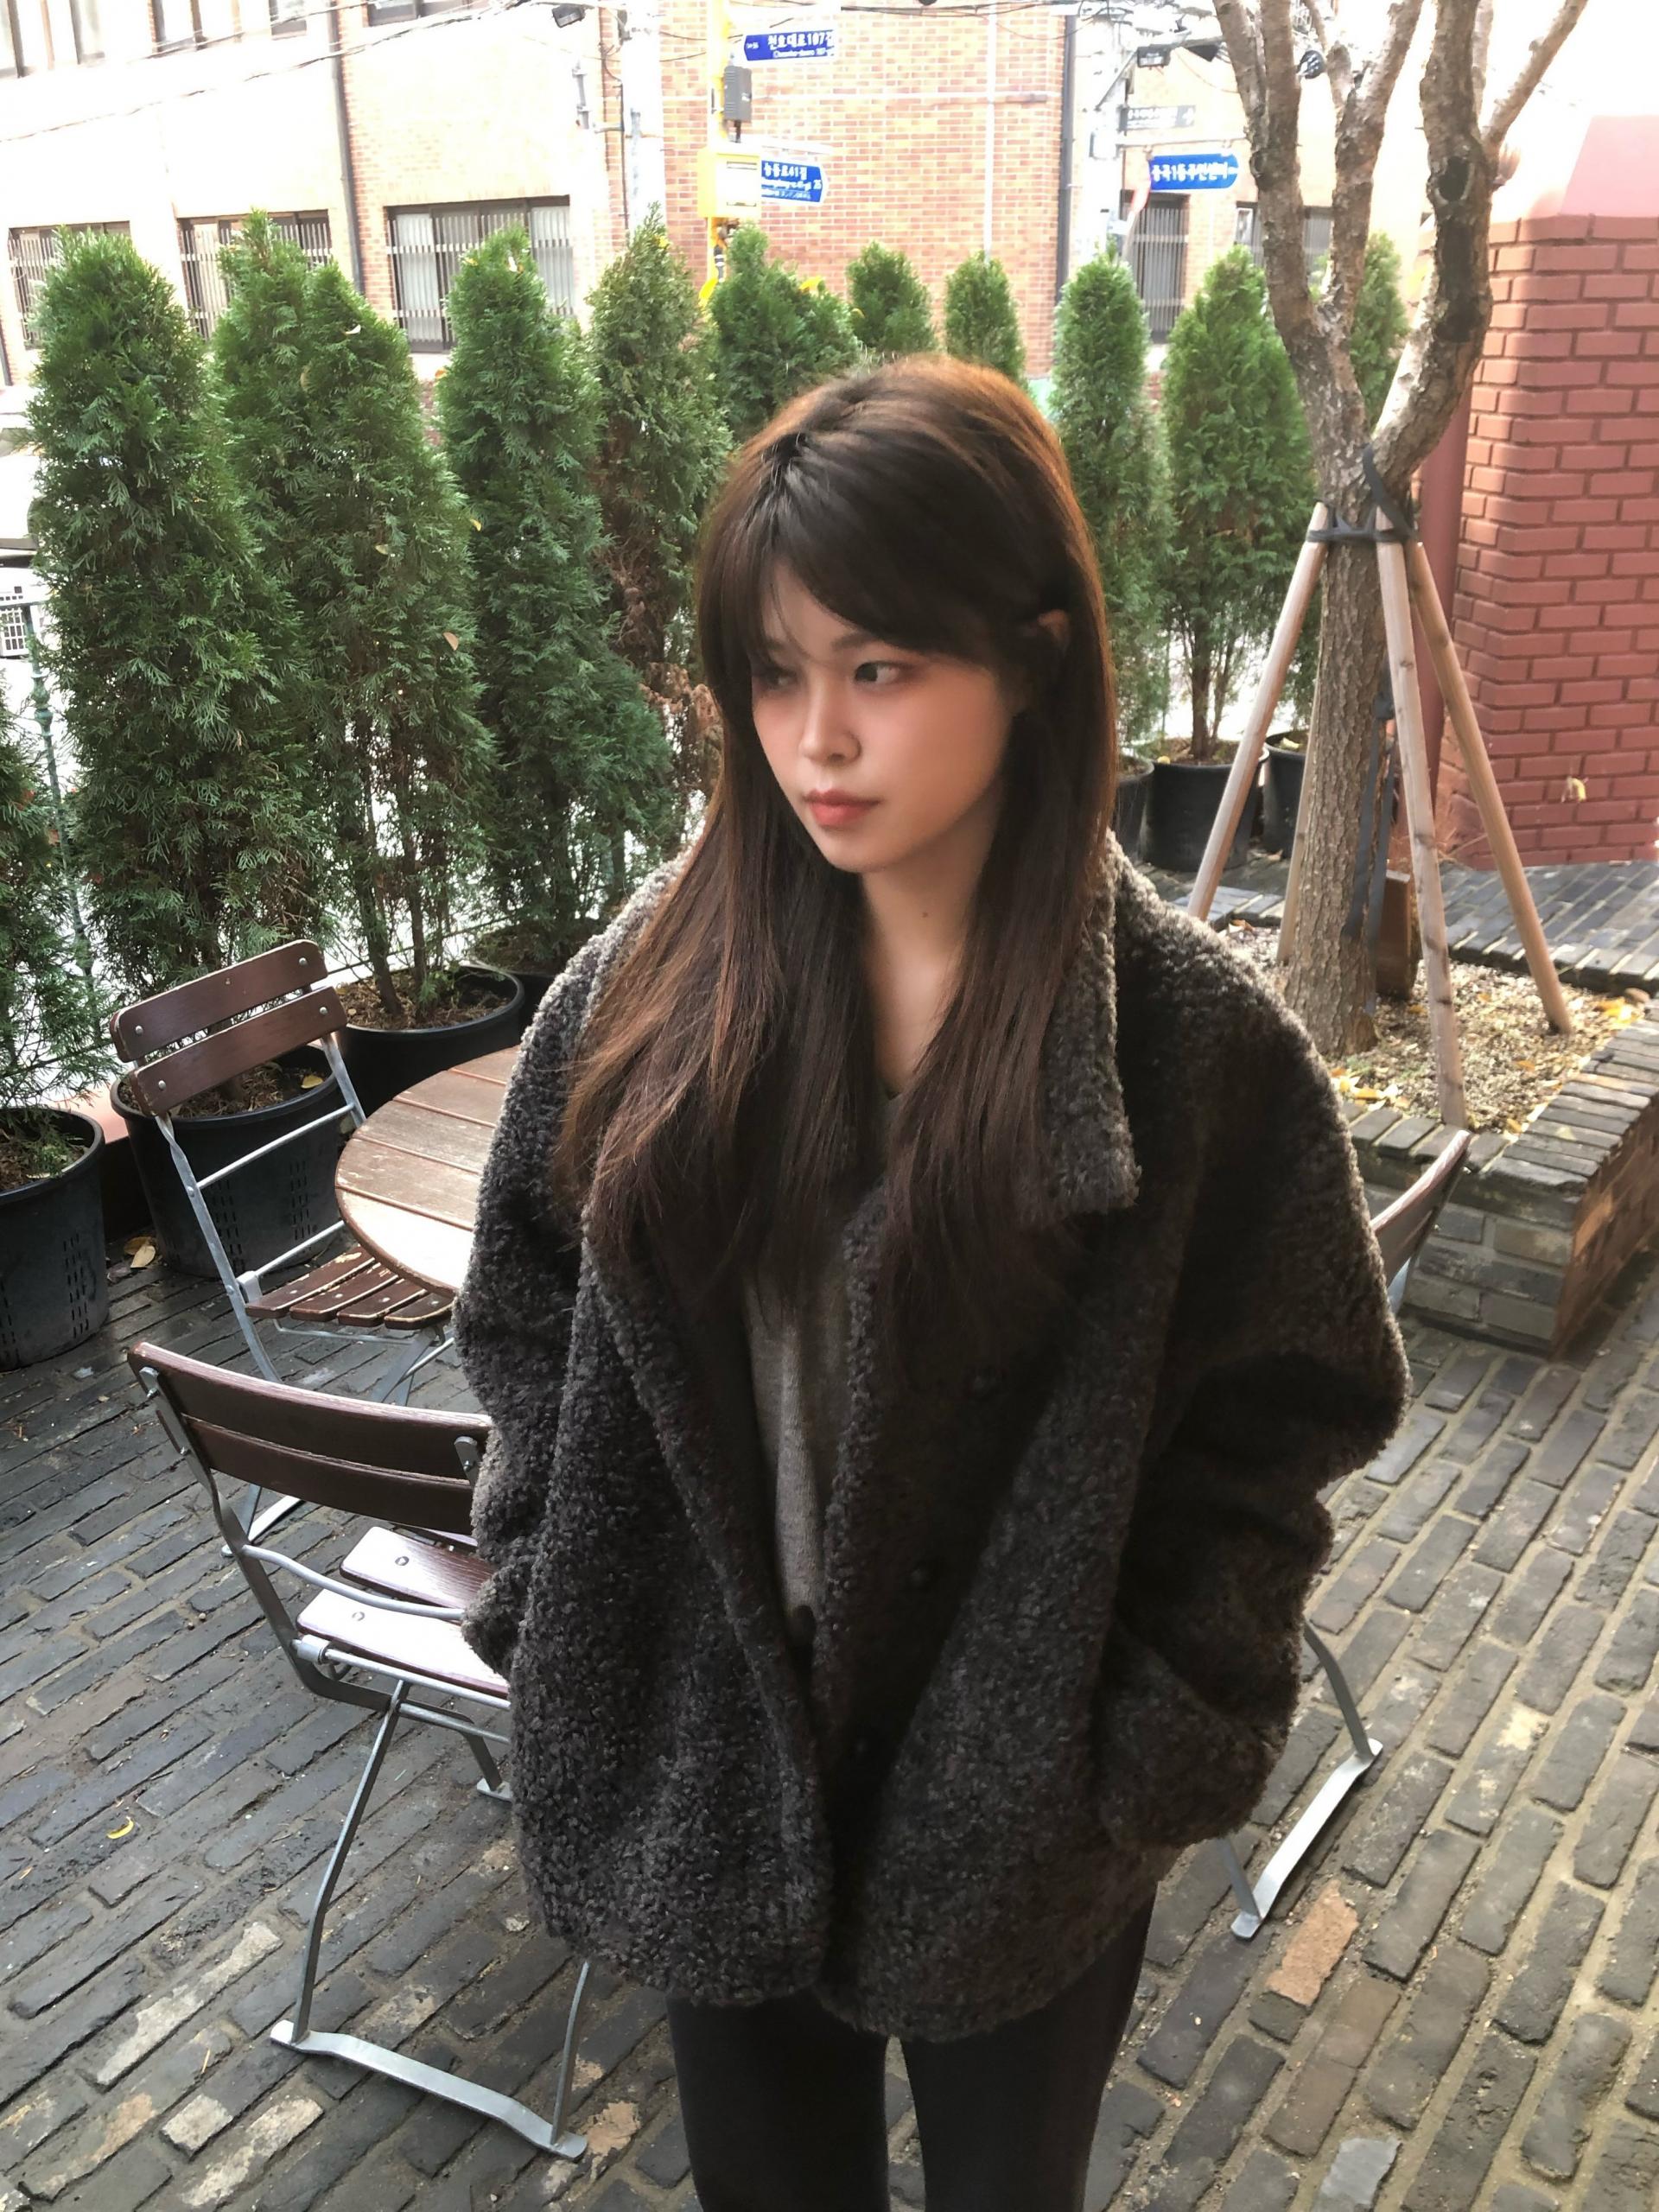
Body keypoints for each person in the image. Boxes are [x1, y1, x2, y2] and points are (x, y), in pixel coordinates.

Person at [453, 354, 1412, 2211]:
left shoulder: (1193, 1051)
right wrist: (557, 1591)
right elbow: (524, 1303)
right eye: (773, 673)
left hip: (1023, 1809)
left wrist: (1157, 1726)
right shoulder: (652, 988)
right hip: (718, 1760)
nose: (816, 739)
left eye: (879, 669)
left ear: (1033, 658)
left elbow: (1288, 1407)